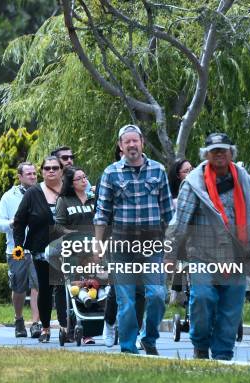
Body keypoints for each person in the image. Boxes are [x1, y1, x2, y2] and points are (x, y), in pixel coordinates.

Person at [166, 133, 250, 360]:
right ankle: (201, 345)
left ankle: (223, 356)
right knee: (202, 299)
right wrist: (170, 255)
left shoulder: (245, 181)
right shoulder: (194, 183)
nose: (219, 154)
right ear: (206, 155)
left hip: (238, 256)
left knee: (230, 312)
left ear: (232, 152)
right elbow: (179, 222)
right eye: (215, 151)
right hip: (202, 256)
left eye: (224, 149)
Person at [93, 124, 173, 355]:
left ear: (142, 143)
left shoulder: (158, 171)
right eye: (126, 142)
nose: (131, 145)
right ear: (120, 146)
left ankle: (149, 338)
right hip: (121, 247)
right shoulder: (111, 173)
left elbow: (169, 214)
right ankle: (128, 348)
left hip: (152, 245)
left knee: (157, 295)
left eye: (134, 141)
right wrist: (98, 247)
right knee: (126, 301)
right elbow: (102, 215)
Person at [13, 156, 67, 343]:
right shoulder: (33, 193)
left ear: (61, 170)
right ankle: (45, 327)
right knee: (45, 288)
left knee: (64, 287)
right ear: (42, 171)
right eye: (46, 168)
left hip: (69, 247)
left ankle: (65, 327)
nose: (51, 171)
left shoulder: (70, 190)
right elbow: (19, 221)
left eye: (55, 168)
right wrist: (19, 245)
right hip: (41, 249)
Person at [100, 146, 146, 347]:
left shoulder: (146, 176)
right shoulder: (109, 176)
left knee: (140, 289)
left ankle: (133, 333)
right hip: (117, 240)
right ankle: (109, 323)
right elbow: (101, 213)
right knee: (119, 288)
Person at [0, 162, 41, 338]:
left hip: (38, 247)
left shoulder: (42, 193)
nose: (32, 176)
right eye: (28, 174)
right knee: (19, 287)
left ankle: (36, 323)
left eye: (34, 174)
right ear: (20, 176)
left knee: (38, 284)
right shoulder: (8, 197)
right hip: (16, 249)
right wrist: (12, 223)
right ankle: (19, 318)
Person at [54, 166, 97, 345]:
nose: (84, 180)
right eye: (79, 178)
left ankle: (91, 330)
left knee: (95, 286)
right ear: (71, 184)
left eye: (84, 177)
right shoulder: (64, 201)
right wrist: (73, 233)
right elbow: (58, 226)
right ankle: (75, 327)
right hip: (72, 250)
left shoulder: (95, 199)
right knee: (77, 287)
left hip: (94, 250)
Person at [167, 158, 194, 306]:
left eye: (192, 169)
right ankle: (176, 293)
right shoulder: (171, 196)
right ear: (178, 175)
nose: (190, 173)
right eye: (186, 171)